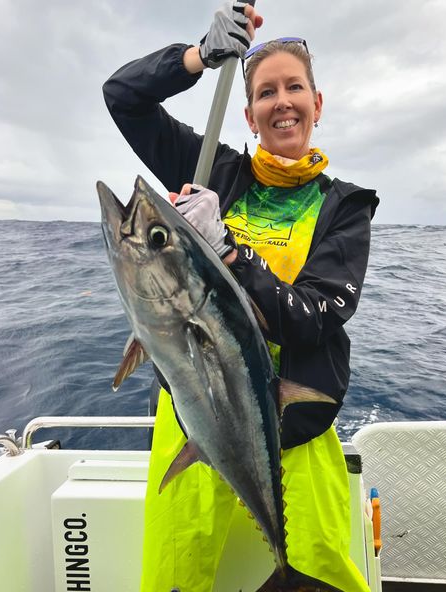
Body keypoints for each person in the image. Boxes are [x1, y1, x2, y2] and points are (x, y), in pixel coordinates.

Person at [103, 2, 379, 591]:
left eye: (294, 88)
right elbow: (122, 98)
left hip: (297, 433)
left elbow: (313, 318)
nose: (282, 101)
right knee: (174, 581)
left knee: (324, 577)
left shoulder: (344, 209)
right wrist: (194, 58)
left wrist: (228, 250)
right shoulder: (217, 172)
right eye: (265, 92)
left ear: (317, 104)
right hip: (193, 420)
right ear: (250, 115)